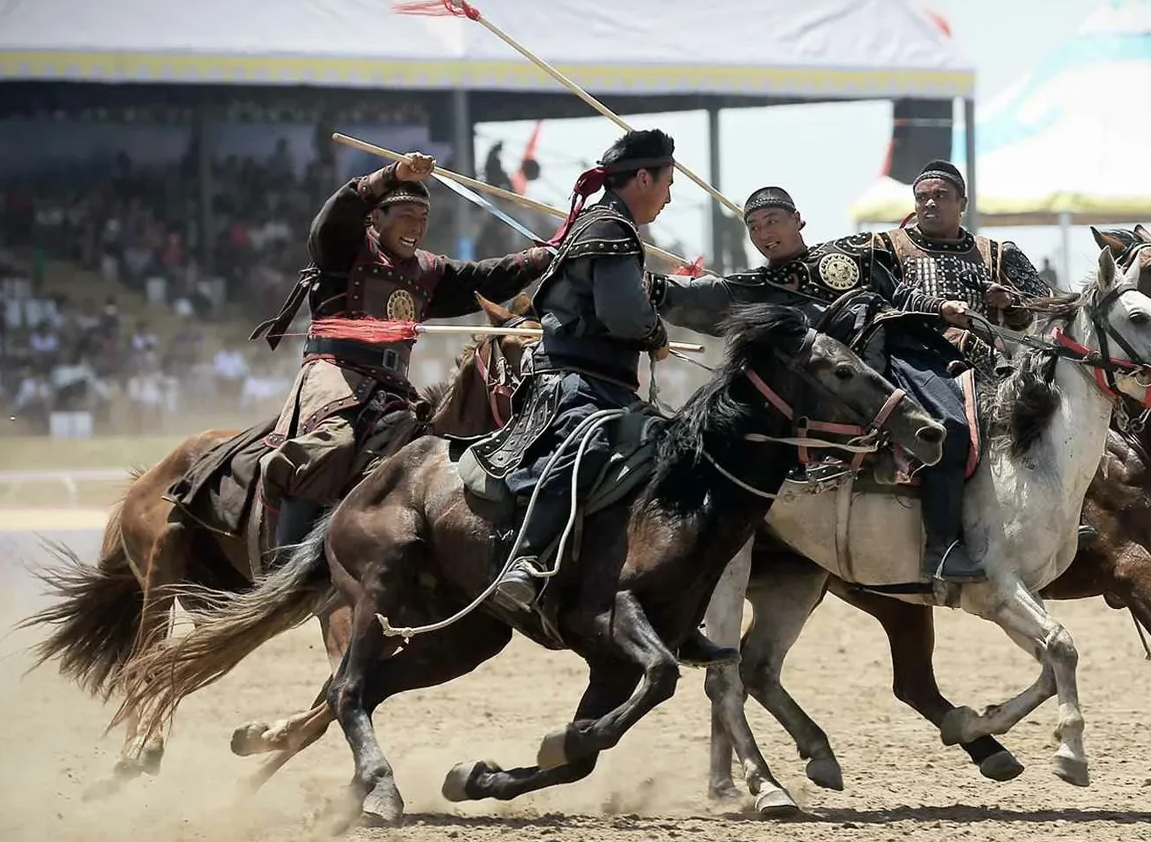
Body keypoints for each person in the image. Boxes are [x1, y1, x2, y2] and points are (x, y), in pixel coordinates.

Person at [654, 185, 985, 583]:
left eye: (773, 221)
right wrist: (638, 279)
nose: (764, 232)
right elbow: (691, 294)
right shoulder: (753, 288)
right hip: (843, 388)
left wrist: (940, 307)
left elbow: (896, 292)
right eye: (754, 226)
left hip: (905, 355)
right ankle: (942, 549)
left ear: (798, 220)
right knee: (945, 431)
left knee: (961, 422)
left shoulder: (850, 253)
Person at [485, 130, 730, 665]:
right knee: (587, 448)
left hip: (607, 382)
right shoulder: (610, 228)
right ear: (643, 178)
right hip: (573, 382)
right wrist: (655, 335)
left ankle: (675, 608)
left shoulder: (612, 228)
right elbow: (624, 314)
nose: (668, 196)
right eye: (666, 183)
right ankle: (523, 563)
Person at [250, 152, 552, 556]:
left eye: (423, 218)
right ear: (376, 217)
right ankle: (288, 559)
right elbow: (334, 216)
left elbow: (486, 278)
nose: (417, 227)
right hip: (334, 374)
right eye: (406, 215)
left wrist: (539, 258)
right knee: (333, 446)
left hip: (391, 387)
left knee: (428, 449)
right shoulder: (344, 249)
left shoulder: (428, 271)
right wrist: (391, 175)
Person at [873, 160, 1051, 375]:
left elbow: (1043, 317)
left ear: (963, 204)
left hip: (988, 369)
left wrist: (1009, 303)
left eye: (940, 196)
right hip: (910, 367)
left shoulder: (997, 253)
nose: (929, 203)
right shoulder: (884, 247)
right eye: (921, 197)